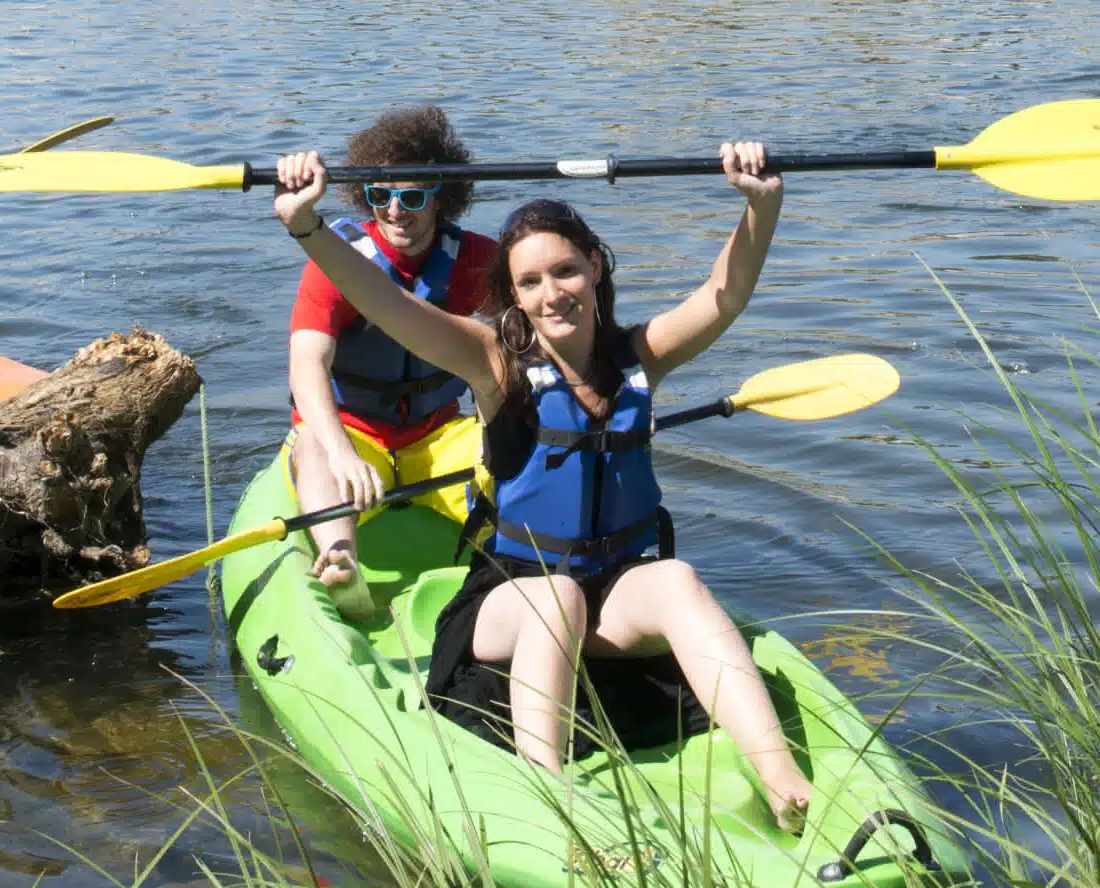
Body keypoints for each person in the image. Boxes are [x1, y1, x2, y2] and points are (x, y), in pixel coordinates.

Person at [271, 143, 814, 831]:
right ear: (514, 297)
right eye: (530, 282)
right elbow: (386, 302)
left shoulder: (639, 357)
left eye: (565, 271)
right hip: (511, 602)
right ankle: (550, 797)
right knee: (557, 597)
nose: (551, 292)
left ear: (595, 267)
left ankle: (780, 775)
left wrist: (760, 205)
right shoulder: (494, 363)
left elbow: (724, 294)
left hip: (612, 593)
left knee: (676, 579)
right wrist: (307, 227)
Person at [284, 106, 497, 621]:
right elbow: (307, 363)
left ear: (442, 198)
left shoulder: (476, 260)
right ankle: (341, 559)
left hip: (439, 438)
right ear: (366, 196)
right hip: (354, 437)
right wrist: (342, 454)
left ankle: (513, 549)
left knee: (513, 440)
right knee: (311, 441)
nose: (396, 211)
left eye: (413, 197)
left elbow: (526, 347)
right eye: (381, 196)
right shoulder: (336, 258)